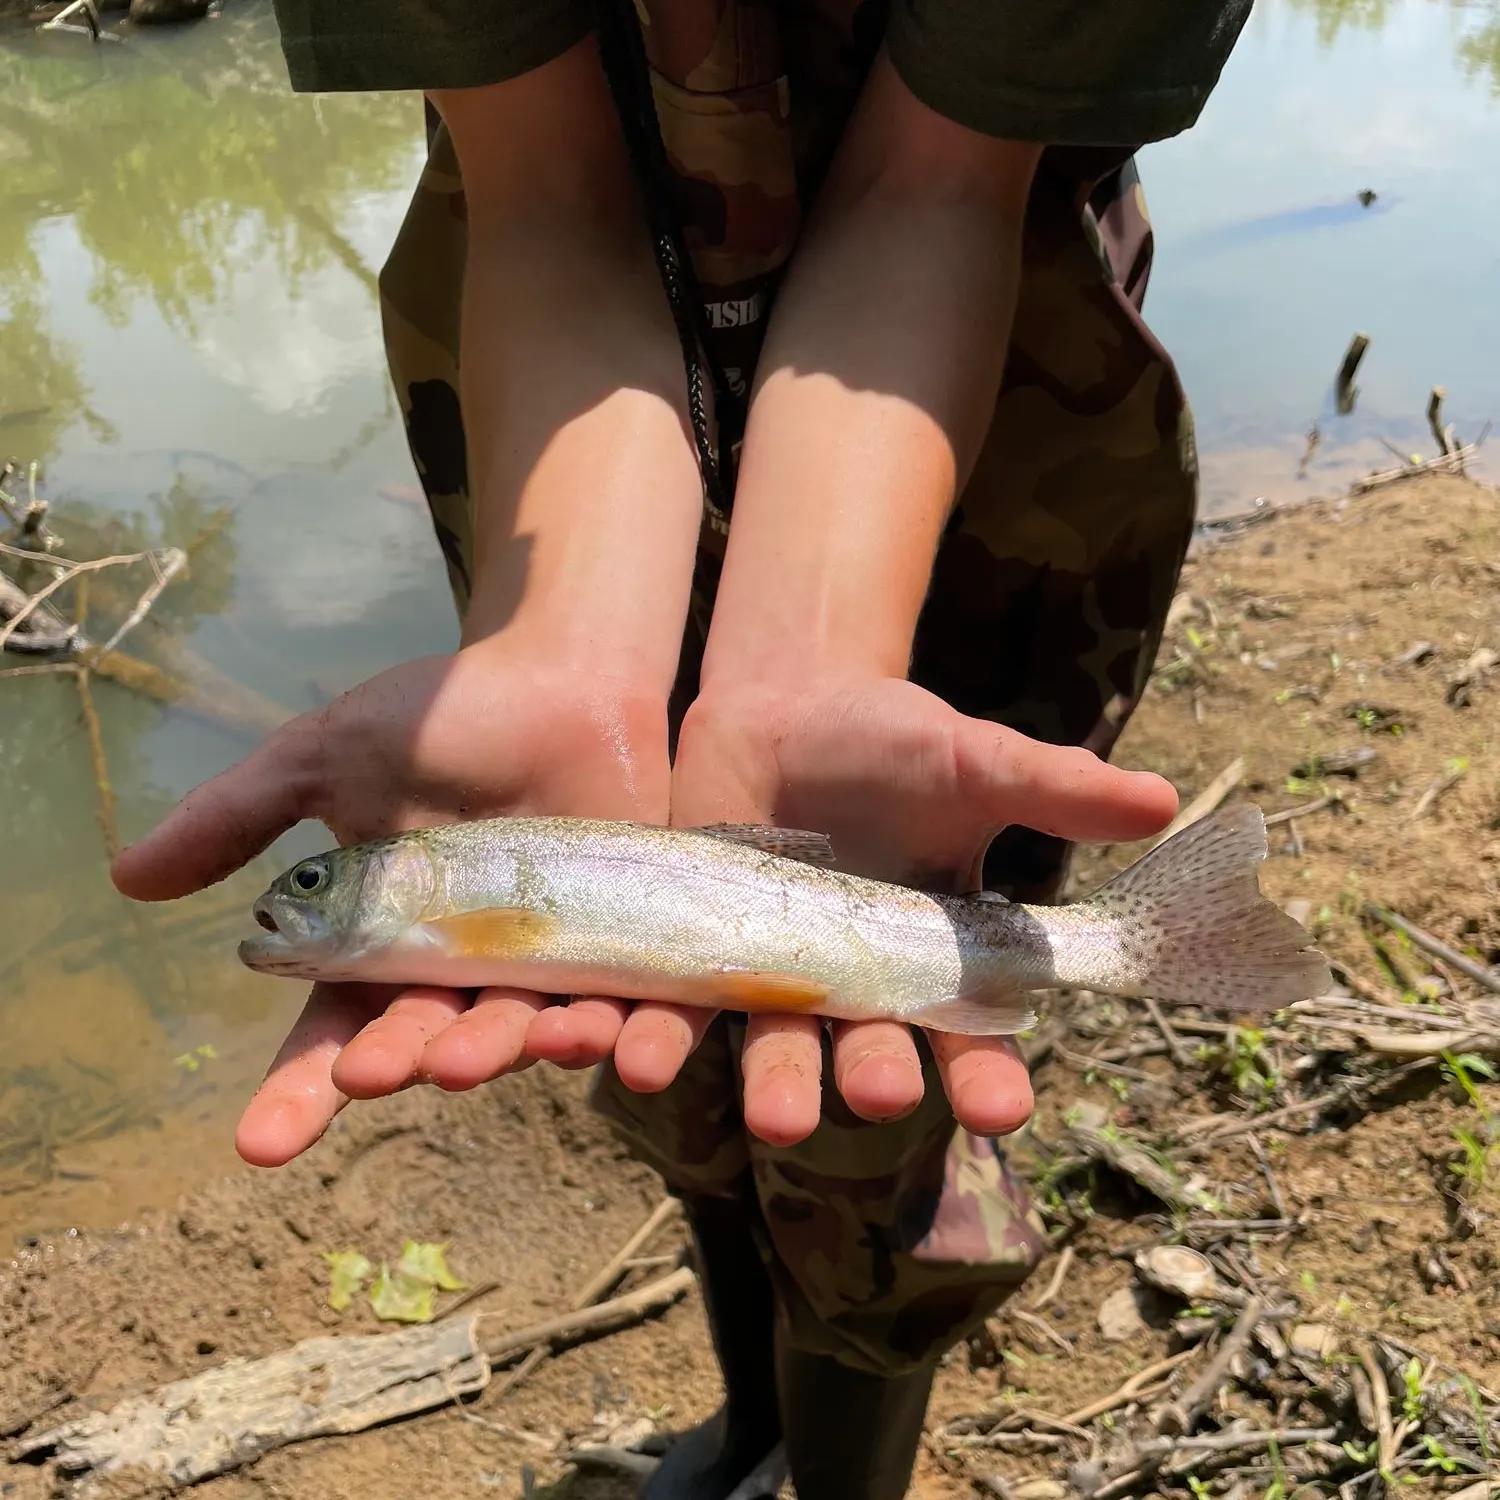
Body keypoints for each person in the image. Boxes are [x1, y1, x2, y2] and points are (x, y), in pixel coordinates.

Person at [111, 3, 1250, 1497]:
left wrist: (819, 660)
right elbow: (543, 188)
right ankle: (750, 1437)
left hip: (980, 420)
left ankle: (839, 1471)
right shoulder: (466, 874)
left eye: (317, 901)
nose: (298, 914)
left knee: (862, 1122)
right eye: (315, 901)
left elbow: (939, 181)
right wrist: (561, 642)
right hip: (552, 420)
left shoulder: (466, 898)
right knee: (679, 1083)